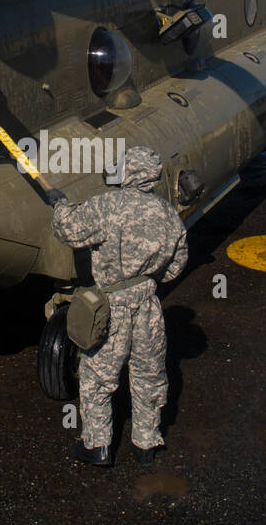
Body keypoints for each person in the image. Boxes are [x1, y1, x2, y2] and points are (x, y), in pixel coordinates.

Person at [49, 147, 187, 468]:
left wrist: (59, 205)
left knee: (98, 375)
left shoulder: (107, 205)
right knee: (148, 373)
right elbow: (176, 264)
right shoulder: (166, 213)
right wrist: (147, 280)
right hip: (147, 303)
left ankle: (98, 446)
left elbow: (68, 230)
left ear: (128, 173)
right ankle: (146, 444)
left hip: (112, 304)